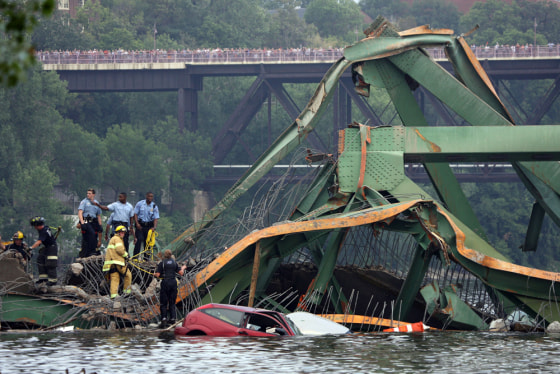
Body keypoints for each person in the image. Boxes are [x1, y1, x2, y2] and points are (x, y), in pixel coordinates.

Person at [154, 249, 186, 328]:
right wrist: (183, 268)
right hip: (173, 283)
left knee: (164, 302)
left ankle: (164, 318)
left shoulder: (162, 263)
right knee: (172, 302)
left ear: (164, 255)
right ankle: (173, 319)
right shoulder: (174, 263)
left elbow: (158, 275)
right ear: (171, 255)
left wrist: (154, 273)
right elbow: (181, 273)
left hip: (165, 283)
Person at [102, 225, 132, 299]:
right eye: (122, 232)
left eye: (124, 233)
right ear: (118, 232)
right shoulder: (117, 239)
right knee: (128, 275)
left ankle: (114, 295)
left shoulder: (112, 239)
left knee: (115, 278)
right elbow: (120, 250)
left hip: (111, 263)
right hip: (118, 262)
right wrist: (126, 255)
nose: (123, 234)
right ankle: (126, 292)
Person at [29, 216, 58, 286]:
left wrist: (31, 248)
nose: (34, 227)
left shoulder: (44, 231)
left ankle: (52, 280)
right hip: (47, 247)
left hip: (52, 248)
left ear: (37, 225)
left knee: (50, 264)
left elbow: (39, 241)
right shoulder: (43, 229)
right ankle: (43, 278)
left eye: (35, 225)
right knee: (40, 259)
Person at [133, 191, 159, 260]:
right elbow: (135, 214)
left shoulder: (154, 206)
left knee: (147, 242)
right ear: (146, 196)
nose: (150, 198)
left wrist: (154, 227)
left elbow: (156, 218)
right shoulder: (140, 204)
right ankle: (135, 257)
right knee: (139, 240)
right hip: (140, 225)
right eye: (149, 196)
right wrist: (137, 223)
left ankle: (146, 259)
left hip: (149, 226)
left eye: (151, 196)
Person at [78, 188, 103, 258]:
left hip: (94, 221)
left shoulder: (96, 203)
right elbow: (80, 212)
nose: (88, 195)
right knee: (91, 234)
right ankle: (89, 252)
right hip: (86, 220)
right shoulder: (84, 202)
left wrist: (100, 225)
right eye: (87, 193)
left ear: (93, 194)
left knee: (95, 236)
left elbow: (98, 215)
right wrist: (82, 223)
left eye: (89, 193)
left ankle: (93, 251)